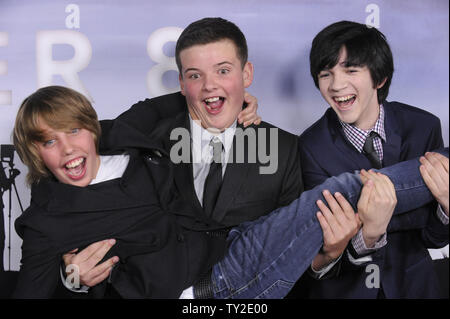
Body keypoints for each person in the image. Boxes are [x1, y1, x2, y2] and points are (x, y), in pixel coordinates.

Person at [12, 86, 448, 299]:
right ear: (35, 152)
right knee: (347, 188)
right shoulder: (48, 219)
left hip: (233, 242)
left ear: (92, 128)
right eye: (48, 141)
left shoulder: (124, 132)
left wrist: (233, 97)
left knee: (341, 195)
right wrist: (71, 282)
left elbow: (186, 95)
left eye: (73, 131)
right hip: (201, 292)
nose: (67, 148)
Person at [64, 17, 305, 298]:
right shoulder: (146, 139)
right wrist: (71, 275)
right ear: (181, 83)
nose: (209, 85)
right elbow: (72, 168)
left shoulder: (284, 149)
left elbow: (292, 248)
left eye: (223, 71)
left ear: (247, 74)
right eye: (195, 75)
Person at [291, 20, 449, 298]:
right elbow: (321, 252)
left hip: (414, 288)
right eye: (326, 73)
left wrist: (447, 206)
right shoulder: (309, 147)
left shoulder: (424, 126)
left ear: (379, 78)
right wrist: (369, 235)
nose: (337, 85)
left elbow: (433, 237)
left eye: (351, 70)